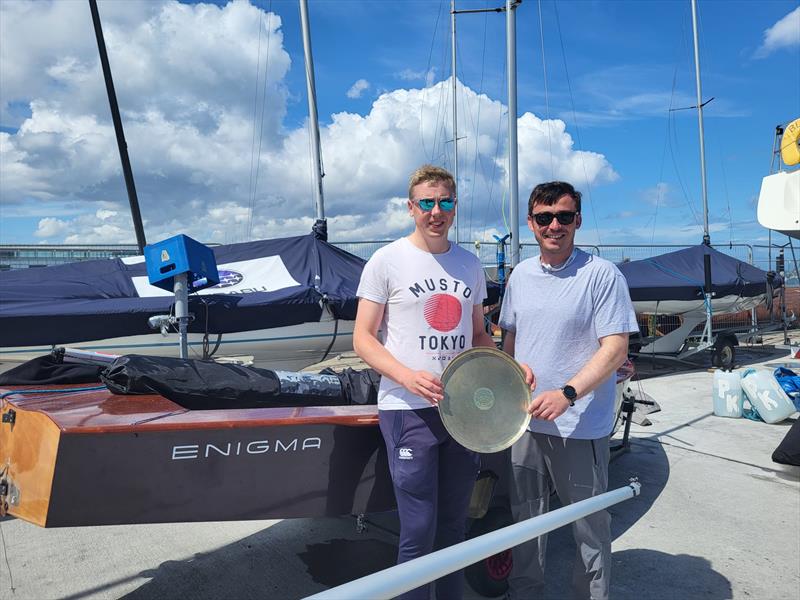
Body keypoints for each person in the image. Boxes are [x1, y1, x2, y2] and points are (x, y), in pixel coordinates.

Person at [354, 164, 531, 600]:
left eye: (445, 202)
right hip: (407, 410)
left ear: (455, 207)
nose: (437, 211)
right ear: (411, 208)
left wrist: (506, 368)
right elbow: (362, 338)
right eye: (427, 203)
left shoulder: (468, 264)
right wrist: (406, 375)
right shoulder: (386, 261)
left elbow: (476, 335)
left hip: (462, 411)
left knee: (455, 526)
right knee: (418, 530)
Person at [499, 181, 638, 600]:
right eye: (544, 217)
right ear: (531, 223)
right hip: (523, 424)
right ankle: (526, 594)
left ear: (578, 220)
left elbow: (615, 348)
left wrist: (568, 393)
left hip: (579, 424)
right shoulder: (520, 276)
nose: (553, 225)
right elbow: (509, 343)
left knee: (589, 525)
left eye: (563, 216)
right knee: (526, 520)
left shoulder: (602, 275)